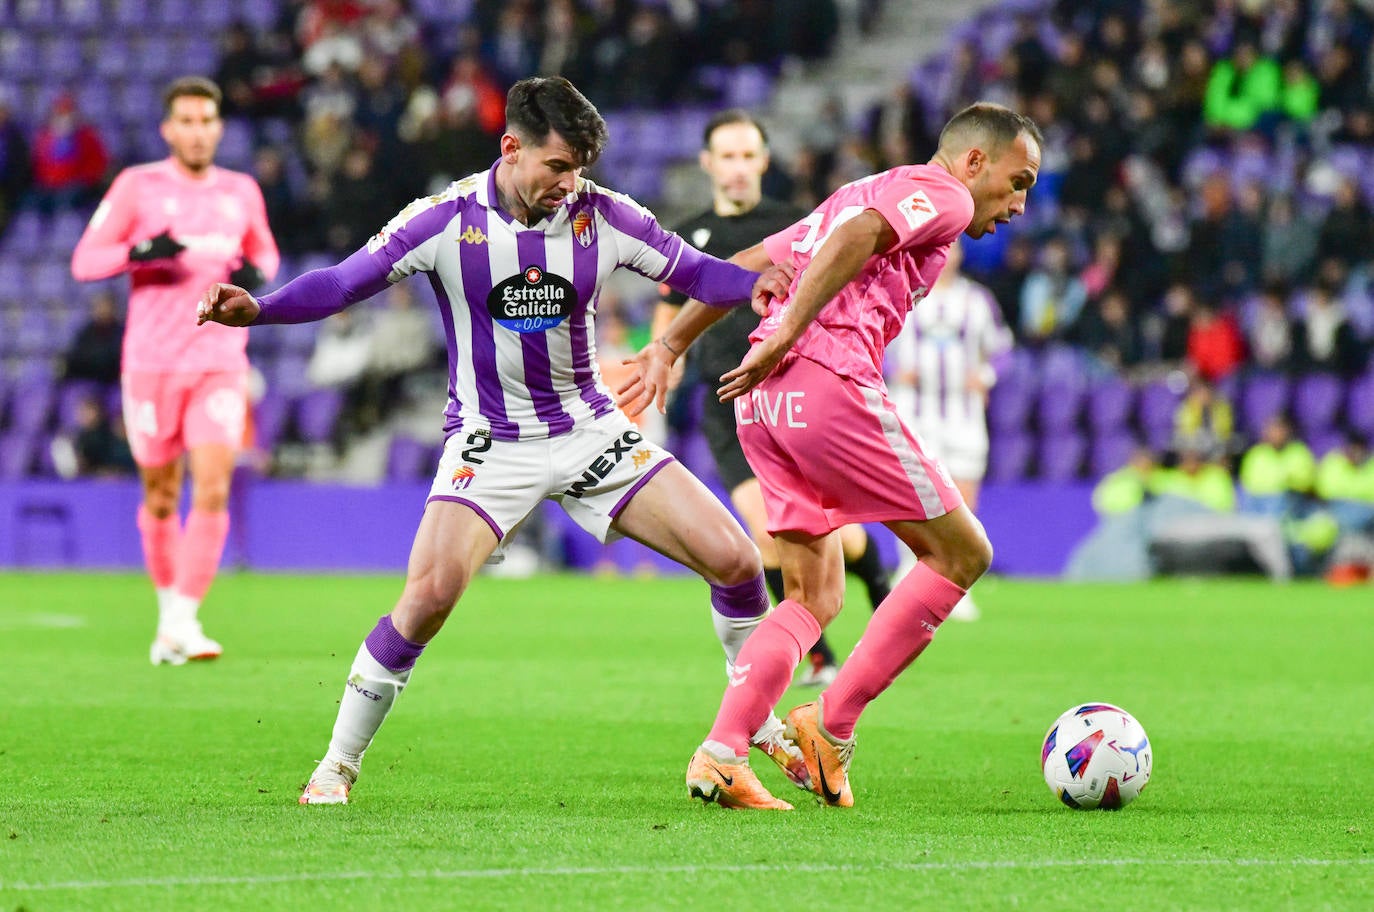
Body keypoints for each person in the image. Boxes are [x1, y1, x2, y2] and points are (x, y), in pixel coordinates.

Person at [196, 77, 799, 806]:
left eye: (579, 167)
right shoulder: (446, 218)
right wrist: (258, 310)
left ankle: (748, 726)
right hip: (490, 441)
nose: (569, 182)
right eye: (556, 166)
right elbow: (345, 282)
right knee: (428, 598)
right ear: (510, 148)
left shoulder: (601, 213)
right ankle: (336, 765)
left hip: (589, 428)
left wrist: (751, 287)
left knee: (737, 561)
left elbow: (695, 270)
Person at [620, 101, 1043, 809]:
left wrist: (670, 343)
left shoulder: (861, 187)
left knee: (813, 594)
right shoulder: (939, 192)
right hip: (824, 379)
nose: (1020, 203)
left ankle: (722, 754)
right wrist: (789, 327)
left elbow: (747, 263)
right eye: (1018, 180)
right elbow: (863, 234)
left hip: (763, 402)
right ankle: (831, 728)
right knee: (963, 553)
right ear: (975, 162)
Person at [651, 109, 892, 688]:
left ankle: (877, 581)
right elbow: (669, 313)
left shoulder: (795, 226)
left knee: (835, 536)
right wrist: (665, 360)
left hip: (791, 395)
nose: (737, 169)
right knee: (766, 532)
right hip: (724, 404)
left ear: (763, 160)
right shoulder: (690, 237)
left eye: (747, 156)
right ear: (708, 163)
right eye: (725, 157)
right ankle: (818, 653)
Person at [71, 76, 280, 666]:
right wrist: (138, 253)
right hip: (151, 366)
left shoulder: (240, 191)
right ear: (168, 128)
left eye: (207, 120)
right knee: (161, 497)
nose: (197, 131)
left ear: (219, 126)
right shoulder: (138, 185)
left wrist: (256, 273)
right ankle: (169, 618)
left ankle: (186, 620)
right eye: (185, 121)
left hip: (217, 363)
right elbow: (86, 260)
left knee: (212, 486)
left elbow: (264, 250)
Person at [888, 238, 1012, 621]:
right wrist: (891, 371)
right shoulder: (902, 294)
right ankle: (908, 573)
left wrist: (987, 376)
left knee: (963, 498)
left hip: (963, 415)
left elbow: (1004, 349)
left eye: (955, 248)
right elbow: (872, 339)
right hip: (913, 410)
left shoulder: (978, 301)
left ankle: (958, 583)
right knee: (911, 496)